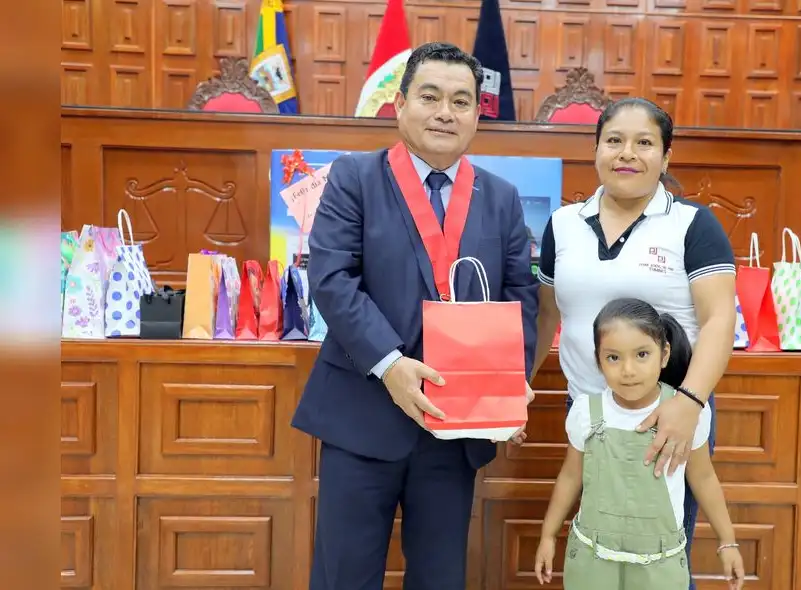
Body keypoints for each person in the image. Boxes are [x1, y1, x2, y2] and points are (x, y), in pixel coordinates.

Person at [292, 42, 539, 590]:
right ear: (400, 105)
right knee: (344, 575)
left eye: (460, 100)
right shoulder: (354, 179)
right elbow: (332, 281)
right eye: (429, 96)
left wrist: (508, 384)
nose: (445, 111)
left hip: (456, 426)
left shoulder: (501, 198)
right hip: (362, 414)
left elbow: (520, 297)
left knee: (439, 577)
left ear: (479, 114)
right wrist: (391, 364)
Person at [531, 97, 736, 588]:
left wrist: (688, 402)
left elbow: (719, 319)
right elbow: (545, 315)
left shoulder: (693, 224)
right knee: (599, 554)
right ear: (596, 149)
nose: (627, 153)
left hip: (669, 417)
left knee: (659, 560)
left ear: (665, 158)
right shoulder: (563, 225)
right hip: (589, 413)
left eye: (645, 143)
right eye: (614, 141)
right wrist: (517, 387)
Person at [533, 298, 745, 590]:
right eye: (613, 358)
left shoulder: (685, 416)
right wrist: (547, 535)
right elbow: (571, 476)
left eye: (642, 354)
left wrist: (728, 542)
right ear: (598, 360)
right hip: (593, 563)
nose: (628, 370)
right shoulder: (586, 412)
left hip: (660, 568)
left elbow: (704, 478)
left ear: (664, 354)